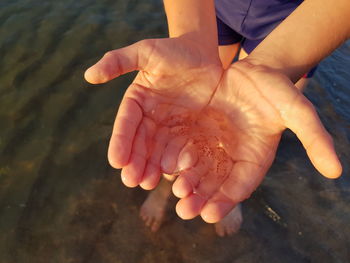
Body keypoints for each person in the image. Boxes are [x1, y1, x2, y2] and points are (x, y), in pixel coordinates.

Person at [84, 0, 349, 236]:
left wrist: (273, 63)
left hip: (299, 21)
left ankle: (232, 197)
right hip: (215, 8)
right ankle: (165, 185)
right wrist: (192, 38)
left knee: (262, 119)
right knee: (191, 110)